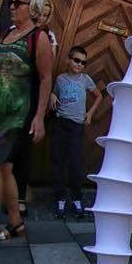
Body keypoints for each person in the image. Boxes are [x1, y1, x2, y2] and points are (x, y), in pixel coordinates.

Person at [0, 0, 53, 248]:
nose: (12, 6)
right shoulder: (5, 35)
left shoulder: (38, 38)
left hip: (15, 115)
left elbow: (46, 79)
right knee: (4, 168)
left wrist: (39, 117)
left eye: (18, 3)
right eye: (11, 2)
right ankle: (15, 222)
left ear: (32, 7)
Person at [49, 44, 102, 218]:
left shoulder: (85, 79)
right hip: (60, 123)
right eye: (77, 60)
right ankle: (60, 198)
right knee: (58, 161)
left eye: (83, 62)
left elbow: (99, 96)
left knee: (76, 162)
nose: (80, 65)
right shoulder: (60, 79)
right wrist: (52, 95)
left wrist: (90, 113)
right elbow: (54, 94)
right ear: (68, 60)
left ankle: (76, 198)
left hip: (77, 126)